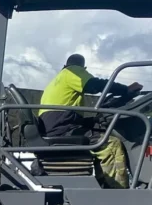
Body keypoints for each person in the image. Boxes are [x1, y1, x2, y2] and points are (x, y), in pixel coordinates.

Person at [39, 54, 143, 189]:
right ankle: (118, 193)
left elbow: (68, 116)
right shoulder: (71, 72)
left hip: (56, 126)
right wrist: (125, 90)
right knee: (111, 144)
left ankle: (104, 185)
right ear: (83, 68)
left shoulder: (58, 80)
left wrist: (94, 120)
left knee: (100, 133)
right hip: (62, 129)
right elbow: (94, 84)